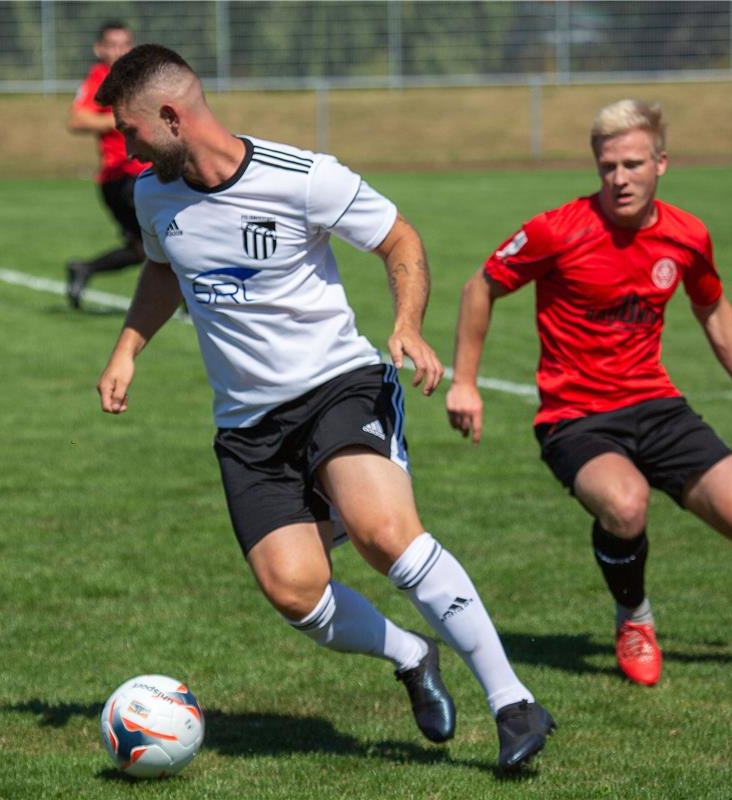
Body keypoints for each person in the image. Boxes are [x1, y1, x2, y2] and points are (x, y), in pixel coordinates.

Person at [94, 45, 555, 772]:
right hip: (246, 426)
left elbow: (398, 238)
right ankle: (409, 655)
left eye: (129, 131)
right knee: (293, 589)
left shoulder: (302, 176)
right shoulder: (156, 195)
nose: (124, 149)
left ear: (173, 116)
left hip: (337, 385)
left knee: (382, 534)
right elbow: (163, 267)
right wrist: (127, 349)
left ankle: (512, 702)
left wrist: (406, 323)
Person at [445, 99, 732, 687]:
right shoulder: (555, 230)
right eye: (608, 166)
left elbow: (711, 308)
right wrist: (464, 382)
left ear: (662, 163)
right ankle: (634, 617)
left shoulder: (687, 235)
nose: (619, 178)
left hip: (659, 408)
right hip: (576, 417)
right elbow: (480, 285)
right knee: (626, 505)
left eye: (633, 164)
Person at [64, 22, 150, 309]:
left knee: (143, 250)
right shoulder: (100, 78)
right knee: (169, 235)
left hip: (145, 174)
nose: (118, 51)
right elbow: (77, 119)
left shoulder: (140, 77)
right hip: (122, 177)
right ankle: (192, 302)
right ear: (99, 49)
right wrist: (123, 119)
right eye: (111, 45)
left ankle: (84, 269)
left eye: (123, 45)